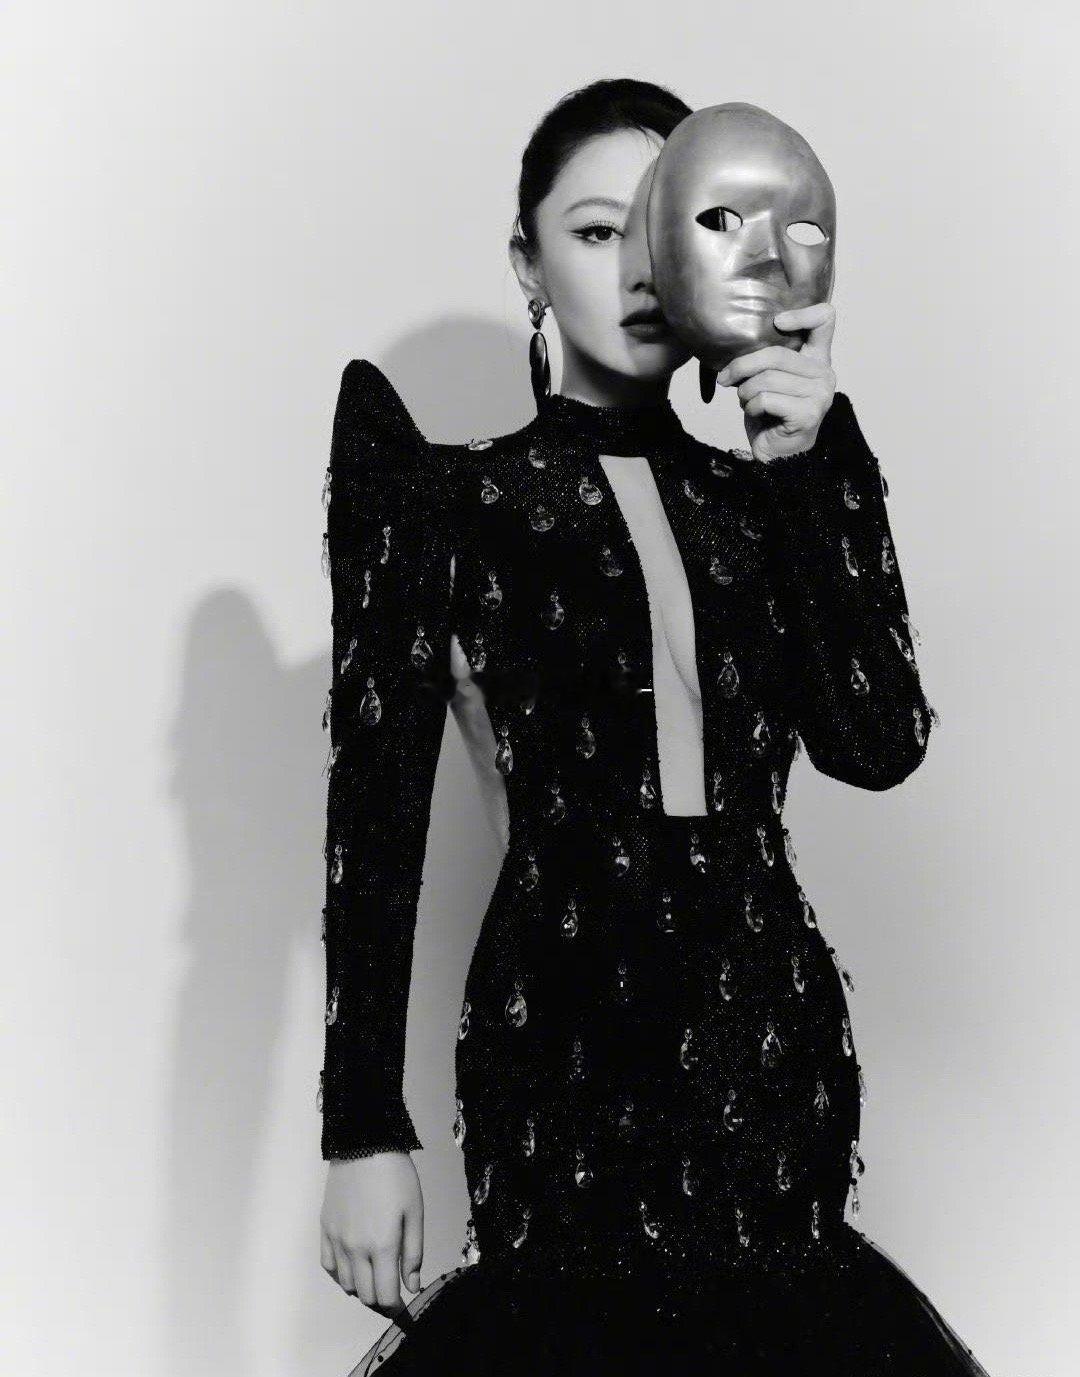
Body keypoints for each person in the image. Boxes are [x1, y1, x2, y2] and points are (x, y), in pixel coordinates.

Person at [317, 78, 990, 1375]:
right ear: (527, 263)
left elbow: (878, 737)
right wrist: (361, 1128)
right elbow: (376, 820)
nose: (635, 268)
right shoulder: (451, 504)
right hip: (561, 1060)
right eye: (592, 232)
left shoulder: (767, 495)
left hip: (769, 1054)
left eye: (664, 229)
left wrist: (816, 455)